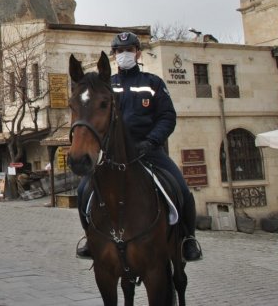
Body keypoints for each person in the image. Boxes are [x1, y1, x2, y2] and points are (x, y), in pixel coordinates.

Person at [75, 31, 202, 262]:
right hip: (113, 155)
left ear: (138, 53)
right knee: (83, 190)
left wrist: (152, 141)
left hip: (148, 150)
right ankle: (90, 239)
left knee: (181, 188)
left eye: (129, 50)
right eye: (120, 51)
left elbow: (167, 117)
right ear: (114, 56)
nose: (125, 55)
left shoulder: (152, 83)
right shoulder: (106, 86)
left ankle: (188, 240)